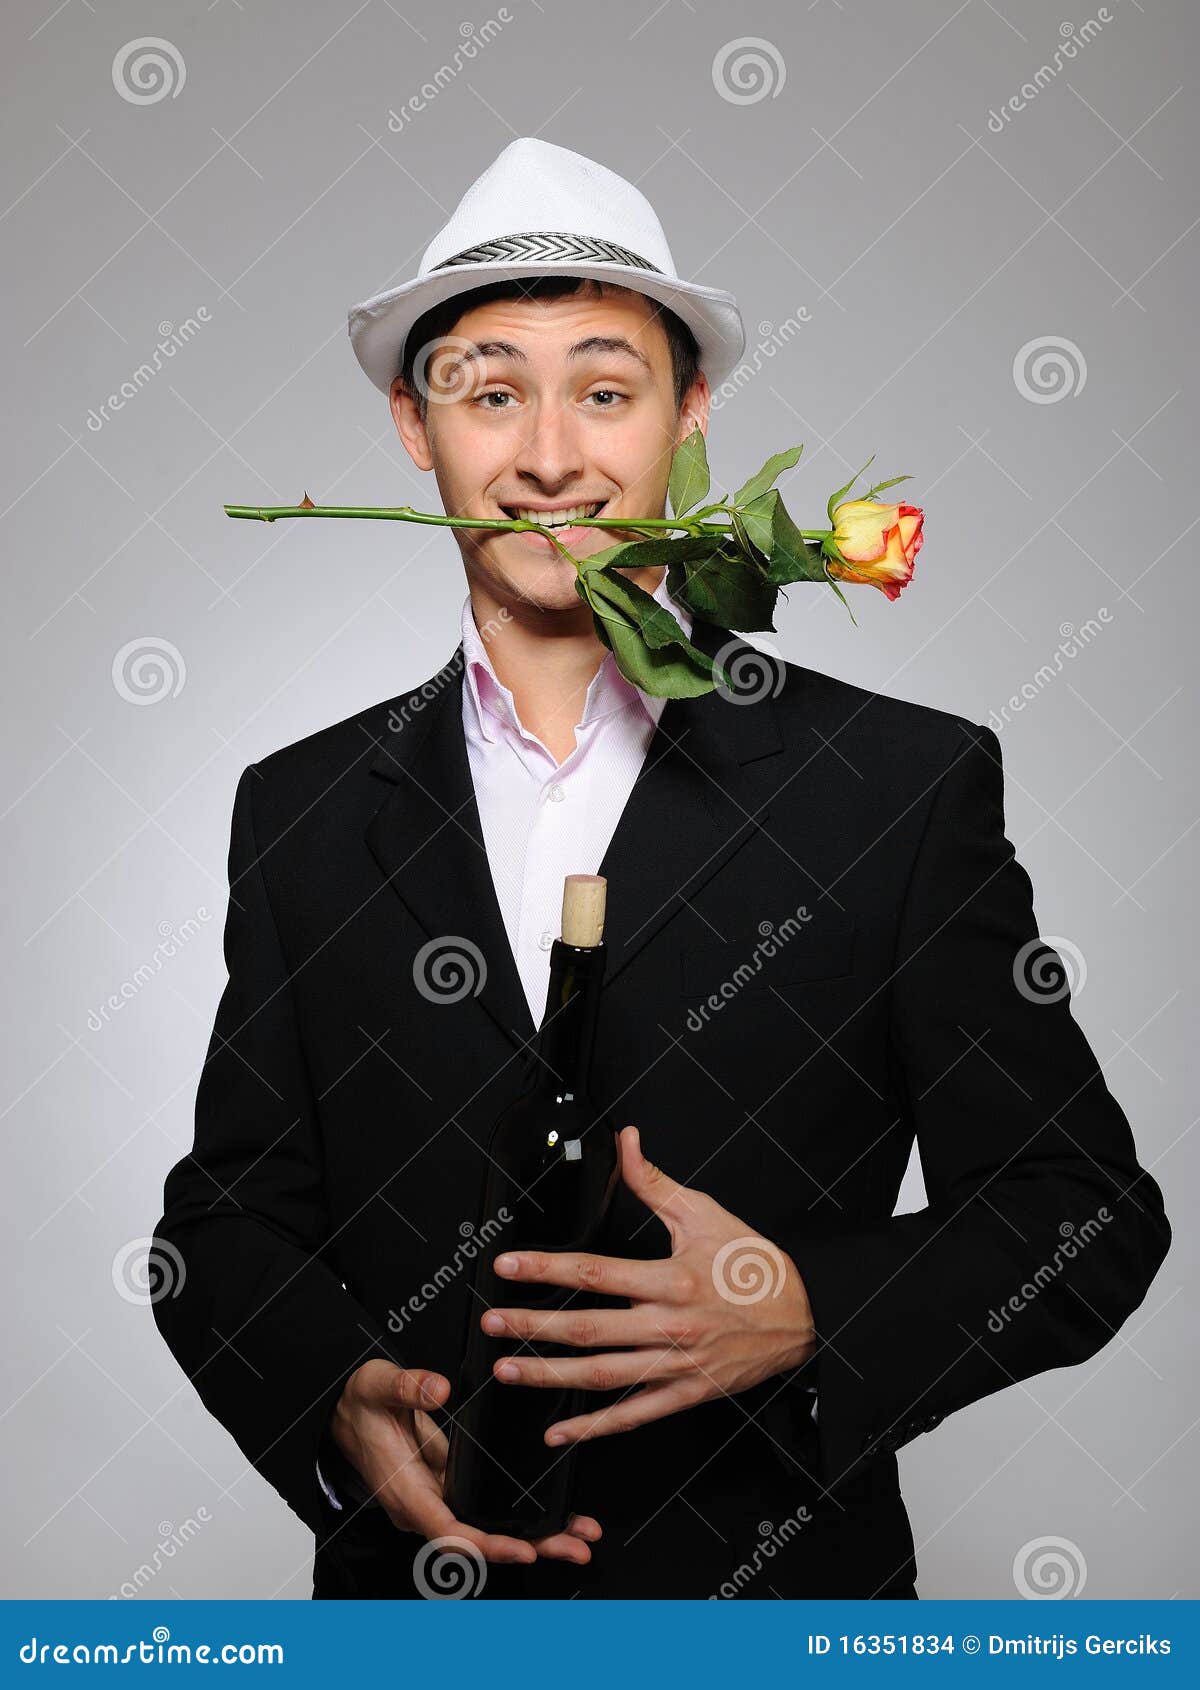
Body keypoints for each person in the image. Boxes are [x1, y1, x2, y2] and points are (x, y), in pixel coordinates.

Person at [151, 138, 1170, 1601]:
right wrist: (334, 1396)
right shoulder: (305, 810)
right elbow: (229, 1219)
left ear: (691, 417)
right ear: (411, 425)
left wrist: (808, 1303)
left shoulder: (894, 787)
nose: (551, 454)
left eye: (607, 390)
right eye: (492, 389)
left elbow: (1084, 1208)